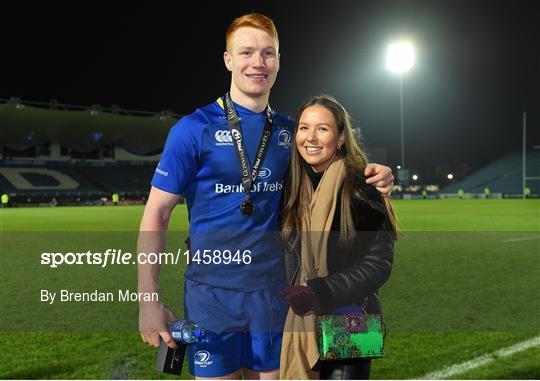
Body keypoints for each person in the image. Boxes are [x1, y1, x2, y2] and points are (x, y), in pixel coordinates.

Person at [137, 14, 394, 380]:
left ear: (278, 60)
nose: (257, 62)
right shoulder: (193, 129)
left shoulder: (292, 134)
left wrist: (375, 175)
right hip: (211, 298)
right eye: (246, 52)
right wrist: (149, 301)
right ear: (228, 60)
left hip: (276, 297)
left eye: (267, 53)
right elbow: (156, 215)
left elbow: (337, 174)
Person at [279, 95, 397, 379]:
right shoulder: (291, 190)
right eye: (304, 128)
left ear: (341, 138)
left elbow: (378, 263)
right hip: (301, 318)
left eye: (323, 129)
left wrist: (320, 290)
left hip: (353, 316)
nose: (311, 137)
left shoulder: (361, 187)